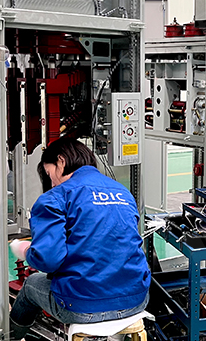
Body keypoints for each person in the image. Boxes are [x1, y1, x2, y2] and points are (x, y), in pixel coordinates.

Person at [9, 137, 150, 340]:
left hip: (81, 305)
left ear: (61, 161)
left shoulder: (55, 197)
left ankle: (12, 336)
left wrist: (26, 251)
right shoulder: (122, 192)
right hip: (136, 299)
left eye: (49, 174)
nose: (52, 183)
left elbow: (48, 260)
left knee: (31, 285)